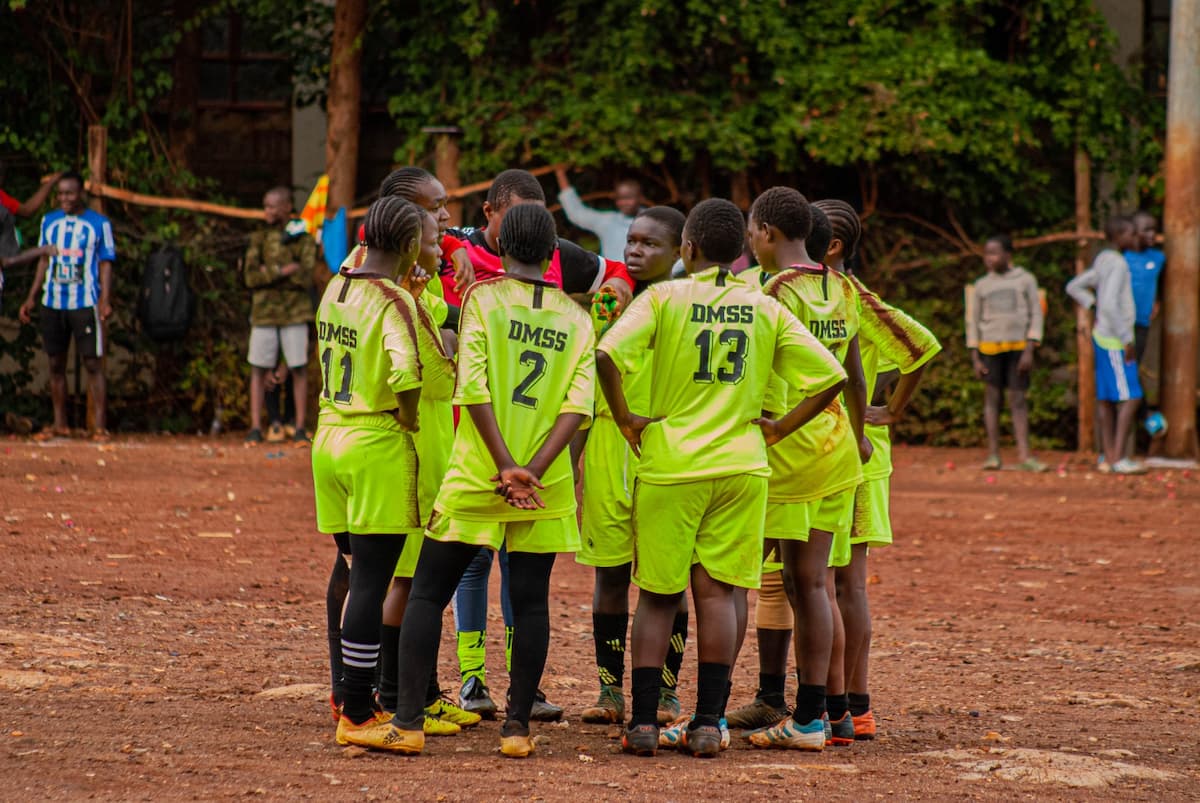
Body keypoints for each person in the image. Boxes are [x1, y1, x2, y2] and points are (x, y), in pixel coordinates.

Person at [598, 198, 847, 758]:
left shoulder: (664, 297)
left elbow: (608, 354)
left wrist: (626, 419)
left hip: (671, 465)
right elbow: (829, 376)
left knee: (658, 598)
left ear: (687, 248)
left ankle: (641, 724)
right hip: (742, 464)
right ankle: (708, 724)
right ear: (739, 251)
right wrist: (780, 427)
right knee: (718, 594)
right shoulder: (763, 305)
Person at [392, 203, 595, 759]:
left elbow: (473, 387)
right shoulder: (578, 319)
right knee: (530, 603)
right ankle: (517, 729)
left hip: (479, 474)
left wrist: (504, 465)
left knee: (429, 591)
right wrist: (534, 469)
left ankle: (408, 722)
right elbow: (578, 408)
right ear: (554, 255)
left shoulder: (482, 299)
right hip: (543, 483)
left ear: (501, 251)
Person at [449, 167, 630, 720]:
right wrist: (442, 248)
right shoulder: (454, 248)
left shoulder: (554, 252)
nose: (529, 226)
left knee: (521, 566)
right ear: (489, 214)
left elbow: (616, 274)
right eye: (516, 215)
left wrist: (611, 299)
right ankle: (471, 679)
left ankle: (522, 690)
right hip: (477, 433)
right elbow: (377, 236)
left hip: (539, 439)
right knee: (475, 562)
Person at [740, 187, 871, 753]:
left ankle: (804, 716)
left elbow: (761, 376)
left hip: (792, 452)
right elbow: (854, 374)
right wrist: (863, 436)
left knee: (784, 580)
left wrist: (768, 428)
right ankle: (824, 715)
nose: (749, 240)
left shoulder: (772, 293)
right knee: (813, 582)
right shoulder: (841, 286)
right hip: (840, 449)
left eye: (751, 229)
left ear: (767, 233)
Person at [817, 199, 941, 743]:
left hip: (855, 452)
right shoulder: (818, 294)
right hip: (850, 449)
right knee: (841, 583)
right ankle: (849, 706)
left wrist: (890, 411)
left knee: (837, 583)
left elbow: (921, 347)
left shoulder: (852, 298)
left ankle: (843, 705)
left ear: (832, 246)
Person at [312, 196, 428, 753]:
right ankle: (358, 712)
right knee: (371, 584)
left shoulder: (336, 287)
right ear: (409, 246)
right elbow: (407, 372)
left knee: (357, 570)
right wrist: (407, 417)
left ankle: (353, 698)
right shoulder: (393, 298)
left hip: (329, 438)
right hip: (375, 443)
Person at [577, 206, 690, 727]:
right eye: (632, 242)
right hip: (607, 442)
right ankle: (609, 690)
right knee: (610, 574)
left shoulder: (686, 305)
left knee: (668, 577)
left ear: (680, 252)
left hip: (665, 443)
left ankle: (666, 693)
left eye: (649, 244)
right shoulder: (606, 300)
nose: (635, 251)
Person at [18, 172, 116, 440]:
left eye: (70, 193)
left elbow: (106, 263)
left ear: (81, 193)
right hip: (52, 301)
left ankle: (100, 426)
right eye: (60, 194)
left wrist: (105, 300)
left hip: (84, 302)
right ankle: (60, 423)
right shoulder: (49, 222)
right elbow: (43, 261)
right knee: (55, 363)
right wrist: (31, 297)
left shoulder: (99, 224)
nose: (64, 198)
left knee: (93, 364)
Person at [1066, 216, 1146, 475]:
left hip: (1102, 336)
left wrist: (1092, 304)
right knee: (1130, 397)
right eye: (1131, 233)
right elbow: (1110, 303)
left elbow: (1074, 286)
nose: (1136, 238)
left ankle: (1107, 456)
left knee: (1107, 400)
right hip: (1113, 339)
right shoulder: (1119, 264)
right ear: (1119, 237)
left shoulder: (1103, 260)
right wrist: (1126, 338)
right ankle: (1118, 457)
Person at [965, 235, 1045, 471]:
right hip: (989, 347)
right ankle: (993, 455)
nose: (989, 259)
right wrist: (975, 356)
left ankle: (1024, 455)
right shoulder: (981, 285)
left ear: (1008, 255)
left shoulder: (1025, 279)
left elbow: (1036, 314)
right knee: (992, 399)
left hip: (1019, 348)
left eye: (995, 253)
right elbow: (973, 320)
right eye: (986, 254)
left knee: (1018, 399)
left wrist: (1031, 347)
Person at [244, 186, 316, 444]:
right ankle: (255, 426)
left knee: (298, 368)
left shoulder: (303, 236)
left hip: (295, 311)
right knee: (258, 369)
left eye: (273, 206)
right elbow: (250, 277)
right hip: (263, 312)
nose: (268, 211)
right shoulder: (259, 237)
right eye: (265, 206)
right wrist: (283, 270)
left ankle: (298, 427)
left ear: (287, 207)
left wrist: (269, 272)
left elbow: (305, 276)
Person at [555, 166, 642, 262]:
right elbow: (577, 213)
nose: (624, 203)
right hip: (615, 276)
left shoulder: (654, 221)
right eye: (620, 199)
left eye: (629, 198)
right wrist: (560, 174)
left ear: (640, 198)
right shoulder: (608, 221)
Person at [1125, 211, 1164, 366]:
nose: (1152, 234)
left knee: (1135, 363)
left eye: (1154, 230)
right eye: (1146, 230)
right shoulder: (1122, 257)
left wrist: (1157, 300)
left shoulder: (1158, 257)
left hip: (1142, 321)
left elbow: (1162, 280)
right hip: (1122, 323)